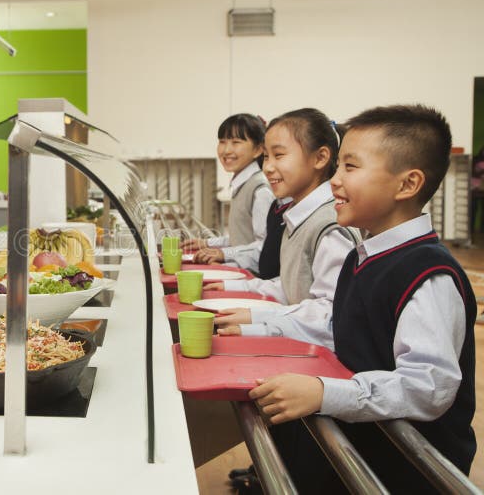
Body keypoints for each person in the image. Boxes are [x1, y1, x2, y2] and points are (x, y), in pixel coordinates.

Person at [249, 104, 478, 493]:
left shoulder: (428, 274)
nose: (334, 181)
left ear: (407, 184)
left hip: (408, 472)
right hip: (366, 449)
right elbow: (340, 328)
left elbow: (428, 387)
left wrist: (325, 393)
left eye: (350, 168)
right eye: (337, 167)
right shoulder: (366, 255)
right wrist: (257, 326)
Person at [206, 109, 359, 348]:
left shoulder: (330, 227)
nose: (267, 167)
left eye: (279, 155)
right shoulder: (299, 216)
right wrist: (239, 291)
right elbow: (291, 287)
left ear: (320, 158)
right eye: (267, 156)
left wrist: (262, 324)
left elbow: (330, 314)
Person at [181, 113, 275, 274]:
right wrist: (207, 244)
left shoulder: (260, 190)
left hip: (254, 280)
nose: (226, 150)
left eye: (236, 142)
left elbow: (265, 247)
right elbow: (242, 238)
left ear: (258, 149)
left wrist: (223, 253)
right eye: (222, 142)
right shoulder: (243, 183)